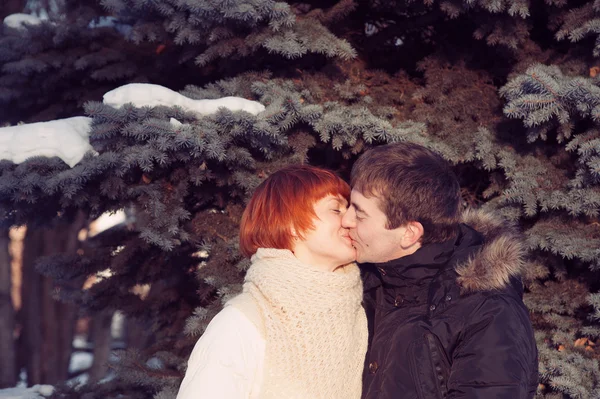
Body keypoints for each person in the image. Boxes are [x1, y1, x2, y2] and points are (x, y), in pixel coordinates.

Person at [341, 143, 539, 399]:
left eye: (359, 213)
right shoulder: (363, 279)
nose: (345, 221)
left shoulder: (488, 313)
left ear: (410, 234)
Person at [176, 164, 368, 399]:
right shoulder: (243, 322)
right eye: (336, 210)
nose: (350, 220)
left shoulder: (360, 318)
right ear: (292, 225)